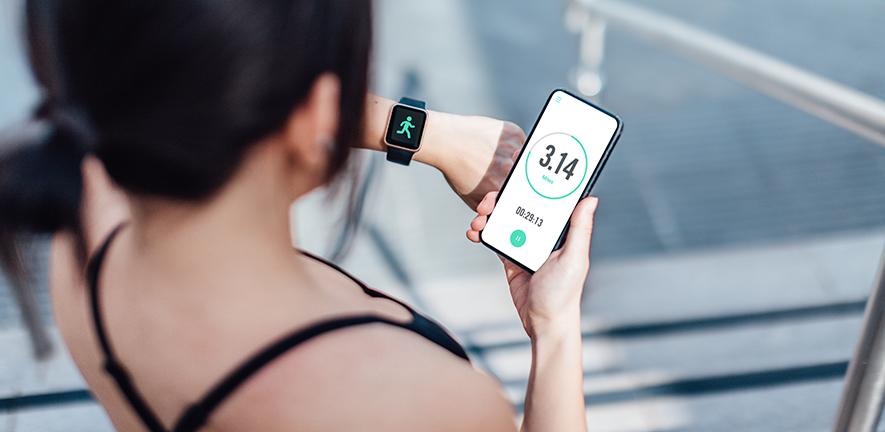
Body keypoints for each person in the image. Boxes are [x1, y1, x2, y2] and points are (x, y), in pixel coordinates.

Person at [0, 1, 599, 431]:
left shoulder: (85, 212)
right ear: (319, 111)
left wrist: (433, 137)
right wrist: (555, 327)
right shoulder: (412, 402)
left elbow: (186, 90)